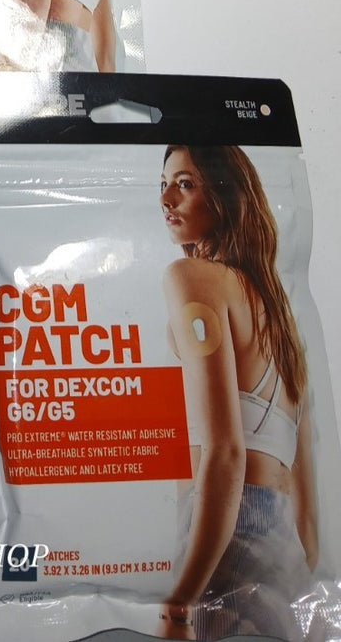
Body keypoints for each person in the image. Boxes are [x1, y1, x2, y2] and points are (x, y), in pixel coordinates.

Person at [156, 146, 316, 640]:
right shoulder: (282, 319)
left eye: (185, 184)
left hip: (226, 530)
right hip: (285, 552)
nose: (165, 198)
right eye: (163, 184)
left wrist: (180, 604)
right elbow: (306, 506)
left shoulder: (191, 277)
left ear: (224, 195)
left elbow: (225, 451)